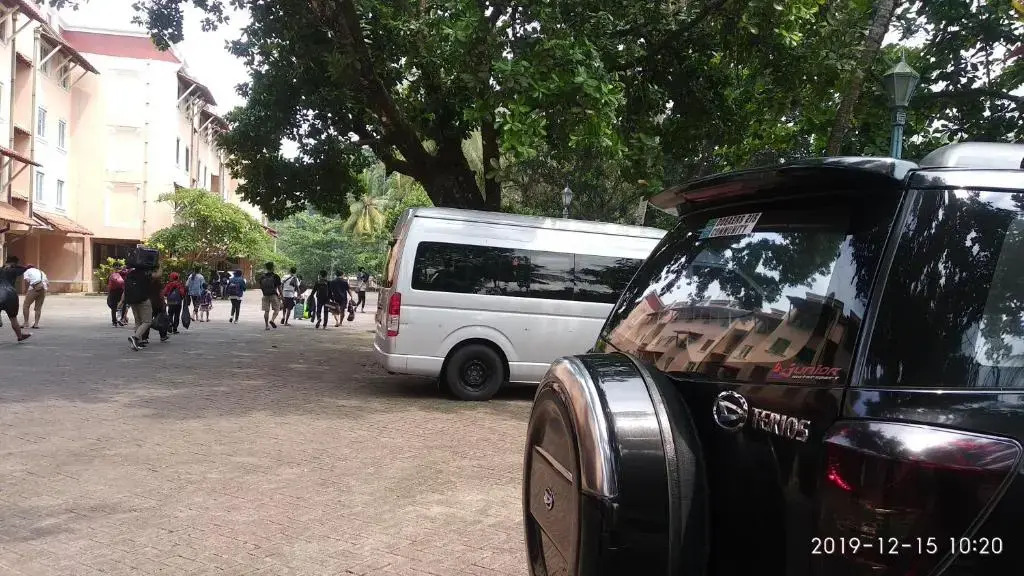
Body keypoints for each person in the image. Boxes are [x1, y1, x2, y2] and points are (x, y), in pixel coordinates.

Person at [0, 256, 31, 341]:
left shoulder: (1, 269)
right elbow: (25, 268)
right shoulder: (14, 270)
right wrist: (16, 266)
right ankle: (20, 336)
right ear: (15, 263)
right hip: (11, 295)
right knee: (13, 318)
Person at [124, 266, 154, 351]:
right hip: (143, 300)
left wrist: (123, 301)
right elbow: (158, 274)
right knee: (147, 321)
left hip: (132, 300)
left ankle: (138, 342)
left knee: (138, 321)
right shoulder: (146, 274)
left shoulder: (130, 274)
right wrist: (160, 264)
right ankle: (135, 337)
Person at [21, 264, 48, 329]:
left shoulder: (27, 271)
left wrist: (27, 291)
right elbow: (47, 283)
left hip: (34, 289)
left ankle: (26, 323)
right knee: (38, 308)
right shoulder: (41, 272)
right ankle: (36, 324)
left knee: (26, 305)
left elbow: (27, 281)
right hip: (43, 289)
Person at [258, 261, 282, 330]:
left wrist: (264, 293)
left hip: (265, 295)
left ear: (266, 267)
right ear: (273, 267)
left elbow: (261, 287)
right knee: (277, 309)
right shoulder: (276, 276)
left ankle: (266, 326)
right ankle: (272, 320)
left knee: (266, 311)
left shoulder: (262, 277)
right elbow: (279, 287)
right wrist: (281, 295)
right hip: (273, 295)